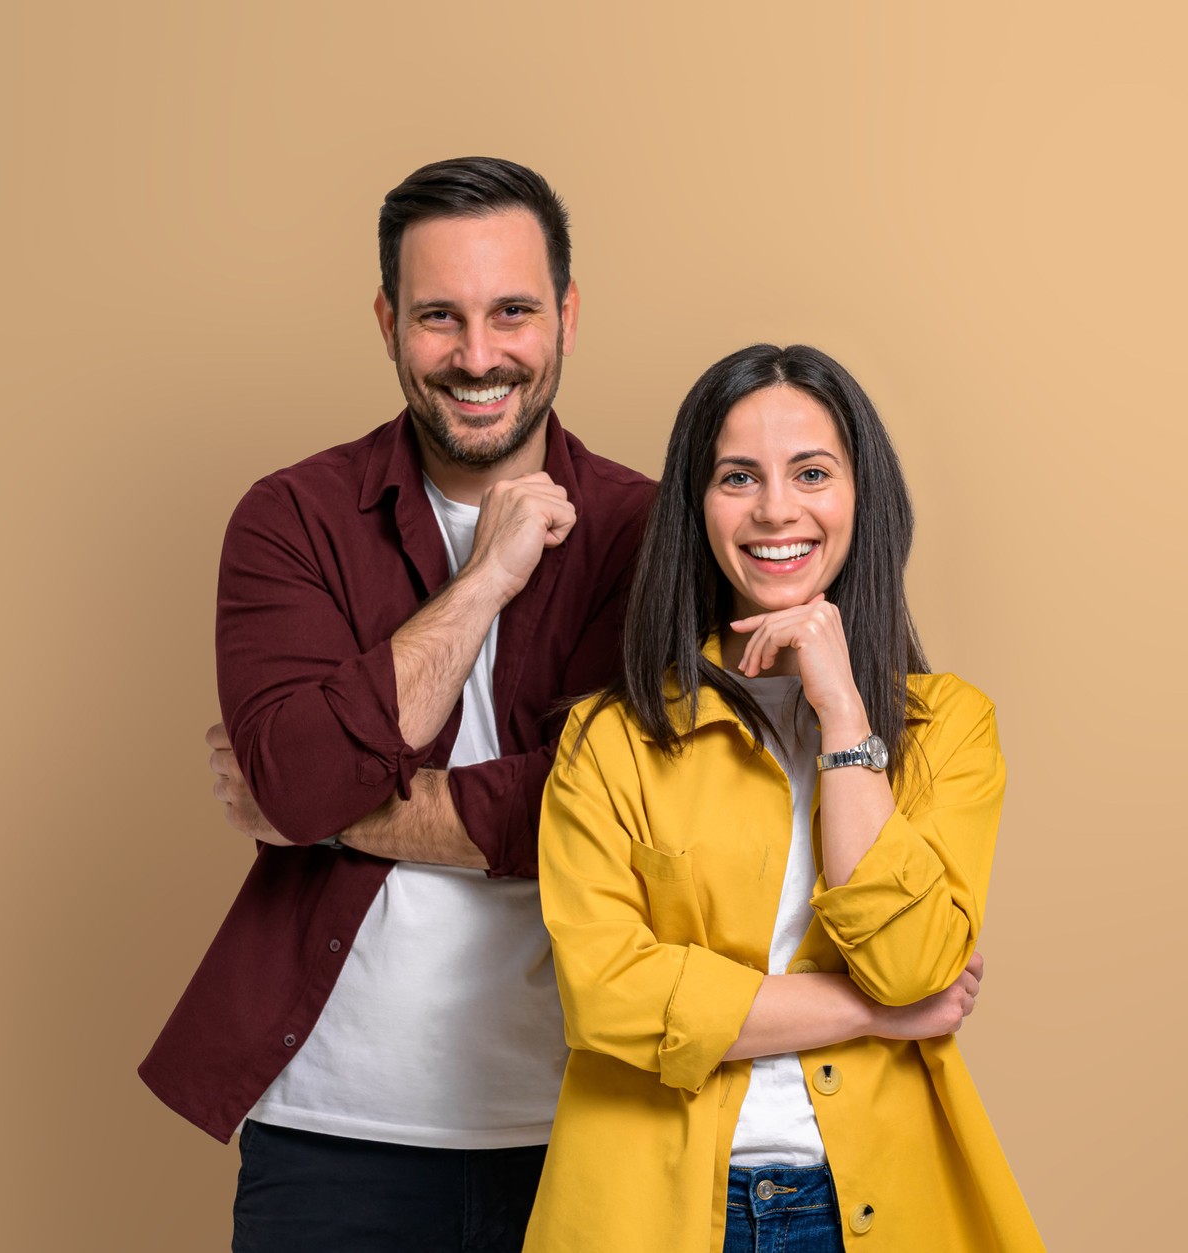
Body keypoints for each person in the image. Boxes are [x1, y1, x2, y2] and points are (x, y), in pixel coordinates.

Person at [138, 156, 657, 1252]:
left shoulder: (647, 534)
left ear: (566, 314)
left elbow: (617, 814)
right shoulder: (291, 517)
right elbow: (311, 771)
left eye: (512, 310)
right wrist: (487, 578)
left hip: (589, 1126)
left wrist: (323, 804)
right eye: (439, 317)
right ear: (387, 322)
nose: (478, 356)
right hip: (329, 1142)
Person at [525, 344, 1043, 1251]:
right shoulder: (609, 742)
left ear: (860, 498)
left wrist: (844, 715)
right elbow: (606, 995)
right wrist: (874, 1015)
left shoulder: (950, 728)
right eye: (737, 477)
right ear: (697, 508)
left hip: (877, 1206)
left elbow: (915, 962)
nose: (776, 509)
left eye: (811, 472)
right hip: (653, 1212)